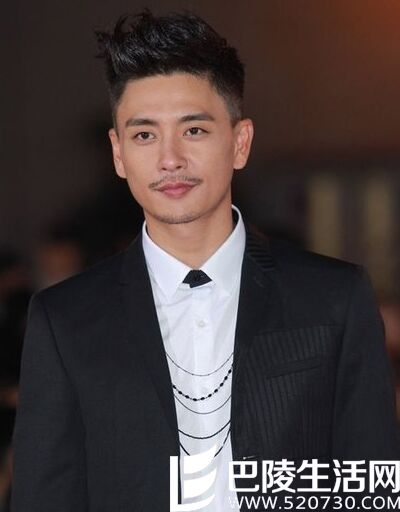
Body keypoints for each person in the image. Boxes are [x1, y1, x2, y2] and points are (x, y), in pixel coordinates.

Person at [11, 9, 399, 512]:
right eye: (145, 135)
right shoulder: (65, 320)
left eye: (193, 130)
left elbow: (371, 491)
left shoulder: (333, 298)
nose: (170, 159)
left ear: (240, 142)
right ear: (118, 153)